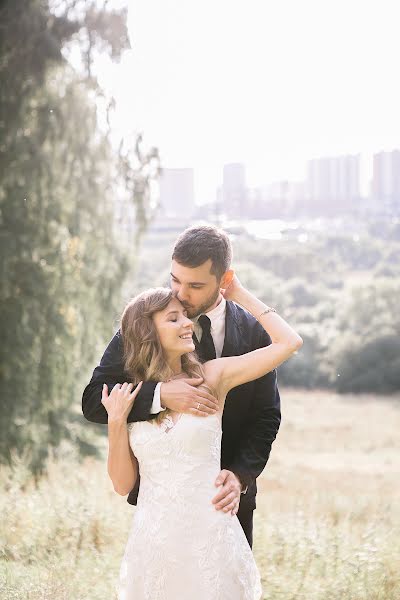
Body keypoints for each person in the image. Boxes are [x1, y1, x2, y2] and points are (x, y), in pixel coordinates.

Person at [102, 275, 302, 599]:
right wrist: (115, 422)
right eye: (174, 318)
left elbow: (289, 343)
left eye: (184, 315)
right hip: (154, 544)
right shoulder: (133, 394)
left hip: (211, 539)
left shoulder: (212, 376)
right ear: (148, 332)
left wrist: (237, 293)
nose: (187, 324)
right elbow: (123, 484)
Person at [82, 225, 281, 546]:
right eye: (175, 280)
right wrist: (160, 395)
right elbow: (94, 400)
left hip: (228, 503)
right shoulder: (145, 325)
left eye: (195, 285)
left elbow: (266, 415)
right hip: (162, 509)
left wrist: (240, 476)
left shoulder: (253, 332)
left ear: (224, 281)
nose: (181, 294)